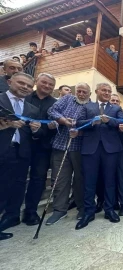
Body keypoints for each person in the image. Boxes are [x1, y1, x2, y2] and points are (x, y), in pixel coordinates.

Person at [75, 83, 123, 230]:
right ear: (96, 92)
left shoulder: (116, 108)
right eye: (104, 90)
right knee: (89, 182)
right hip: (90, 149)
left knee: (110, 181)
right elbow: (78, 123)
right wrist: (92, 122)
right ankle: (88, 212)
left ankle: (109, 210)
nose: (107, 93)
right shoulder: (87, 107)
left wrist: (109, 121)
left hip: (111, 150)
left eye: (109, 91)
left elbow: (122, 122)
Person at [0, 72, 42, 240]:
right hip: (2, 149)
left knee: (17, 186)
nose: (25, 87)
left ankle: (11, 216)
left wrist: (36, 130)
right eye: (21, 83)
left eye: (28, 86)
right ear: (10, 81)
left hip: (21, 153)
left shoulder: (32, 109)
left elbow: (35, 136)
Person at [45, 83, 91, 225]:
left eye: (84, 92)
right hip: (60, 145)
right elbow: (52, 111)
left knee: (80, 179)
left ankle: (82, 207)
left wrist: (80, 130)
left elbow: (92, 126)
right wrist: (63, 120)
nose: (81, 94)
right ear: (75, 91)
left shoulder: (91, 106)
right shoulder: (66, 99)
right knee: (60, 179)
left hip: (79, 148)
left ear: (89, 94)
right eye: (79, 91)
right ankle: (59, 210)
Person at [21, 73, 57, 226]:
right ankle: (11, 211)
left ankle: (30, 211)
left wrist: (55, 125)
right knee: (17, 178)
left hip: (43, 147)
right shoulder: (25, 98)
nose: (47, 86)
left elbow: (57, 124)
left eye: (50, 84)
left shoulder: (55, 104)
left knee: (38, 179)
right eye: (44, 82)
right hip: (22, 144)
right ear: (37, 82)